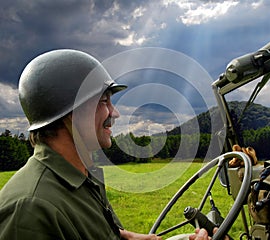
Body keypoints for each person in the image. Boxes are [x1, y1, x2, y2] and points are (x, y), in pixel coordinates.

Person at [0, 49, 215, 240]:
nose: (115, 113)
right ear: (70, 112)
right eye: (104, 101)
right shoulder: (30, 210)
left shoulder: (84, 179)